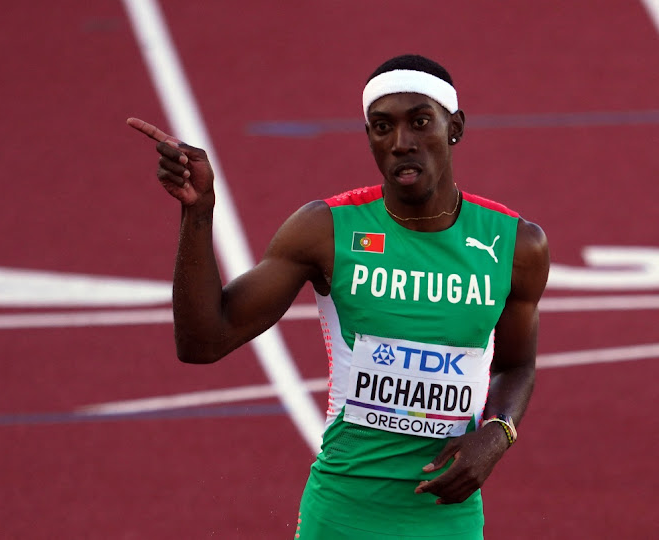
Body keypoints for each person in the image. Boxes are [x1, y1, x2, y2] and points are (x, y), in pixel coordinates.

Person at [127, 54, 550, 539]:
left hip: (446, 513)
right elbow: (202, 343)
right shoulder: (326, 230)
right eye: (382, 127)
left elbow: (517, 365)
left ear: (454, 127)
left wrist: (499, 433)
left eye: (419, 122)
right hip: (343, 509)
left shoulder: (516, 245)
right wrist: (198, 214)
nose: (401, 143)